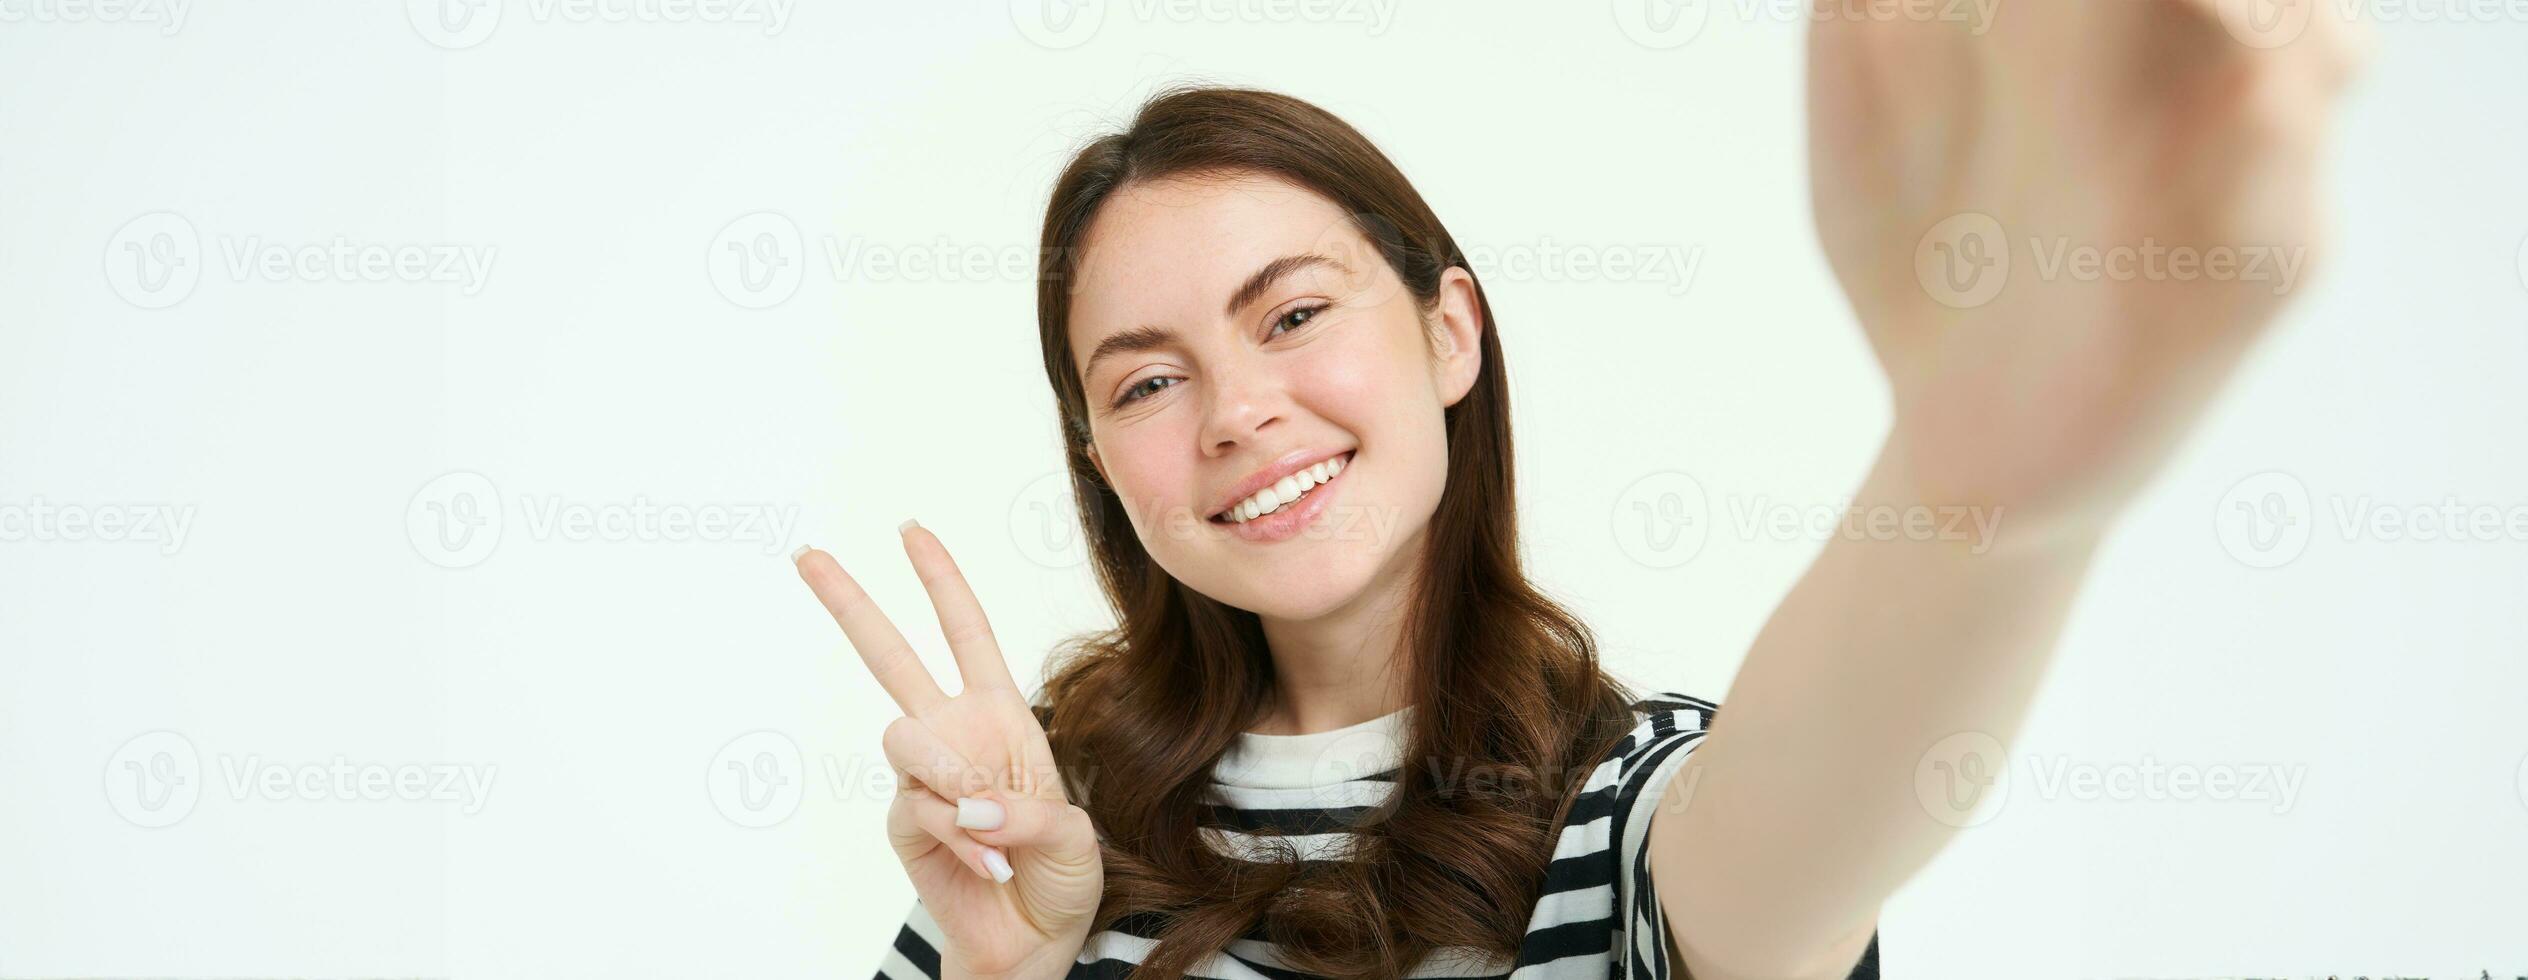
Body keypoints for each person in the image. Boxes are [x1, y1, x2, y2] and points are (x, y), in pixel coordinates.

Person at [792, 6, 2363, 979]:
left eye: (1291, 315)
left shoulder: (1624, 816)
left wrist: (1981, 480)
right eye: (1146, 379)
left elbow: (1809, 840)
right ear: (1099, 462)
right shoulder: (1031, 840)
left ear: (1449, 332)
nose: (1238, 412)